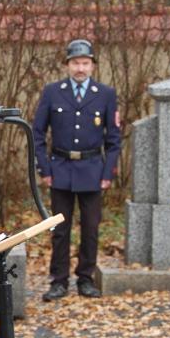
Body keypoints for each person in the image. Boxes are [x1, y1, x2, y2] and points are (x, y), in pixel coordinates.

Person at [32, 39, 121, 301]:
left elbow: (114, 139)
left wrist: (107, 173)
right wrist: (44, 168)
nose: (80, 68)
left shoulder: (105, 94)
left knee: (91, 229)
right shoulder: (52, 92)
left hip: (93, 169)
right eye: (75, 63)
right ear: (68, 65)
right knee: (60, 229)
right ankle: (58, 281)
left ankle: (85, 278)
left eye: (85, 63)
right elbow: (38, 133)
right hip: (60, 169)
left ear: (92, 65)